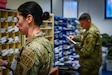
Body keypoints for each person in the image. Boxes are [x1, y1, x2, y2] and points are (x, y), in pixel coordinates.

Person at [0, 1, 54, 75]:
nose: (16, 24)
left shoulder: (30, 50)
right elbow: (22, 69)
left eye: (18, 19)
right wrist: (5, 63)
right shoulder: (46, 42)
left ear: (29, 18)